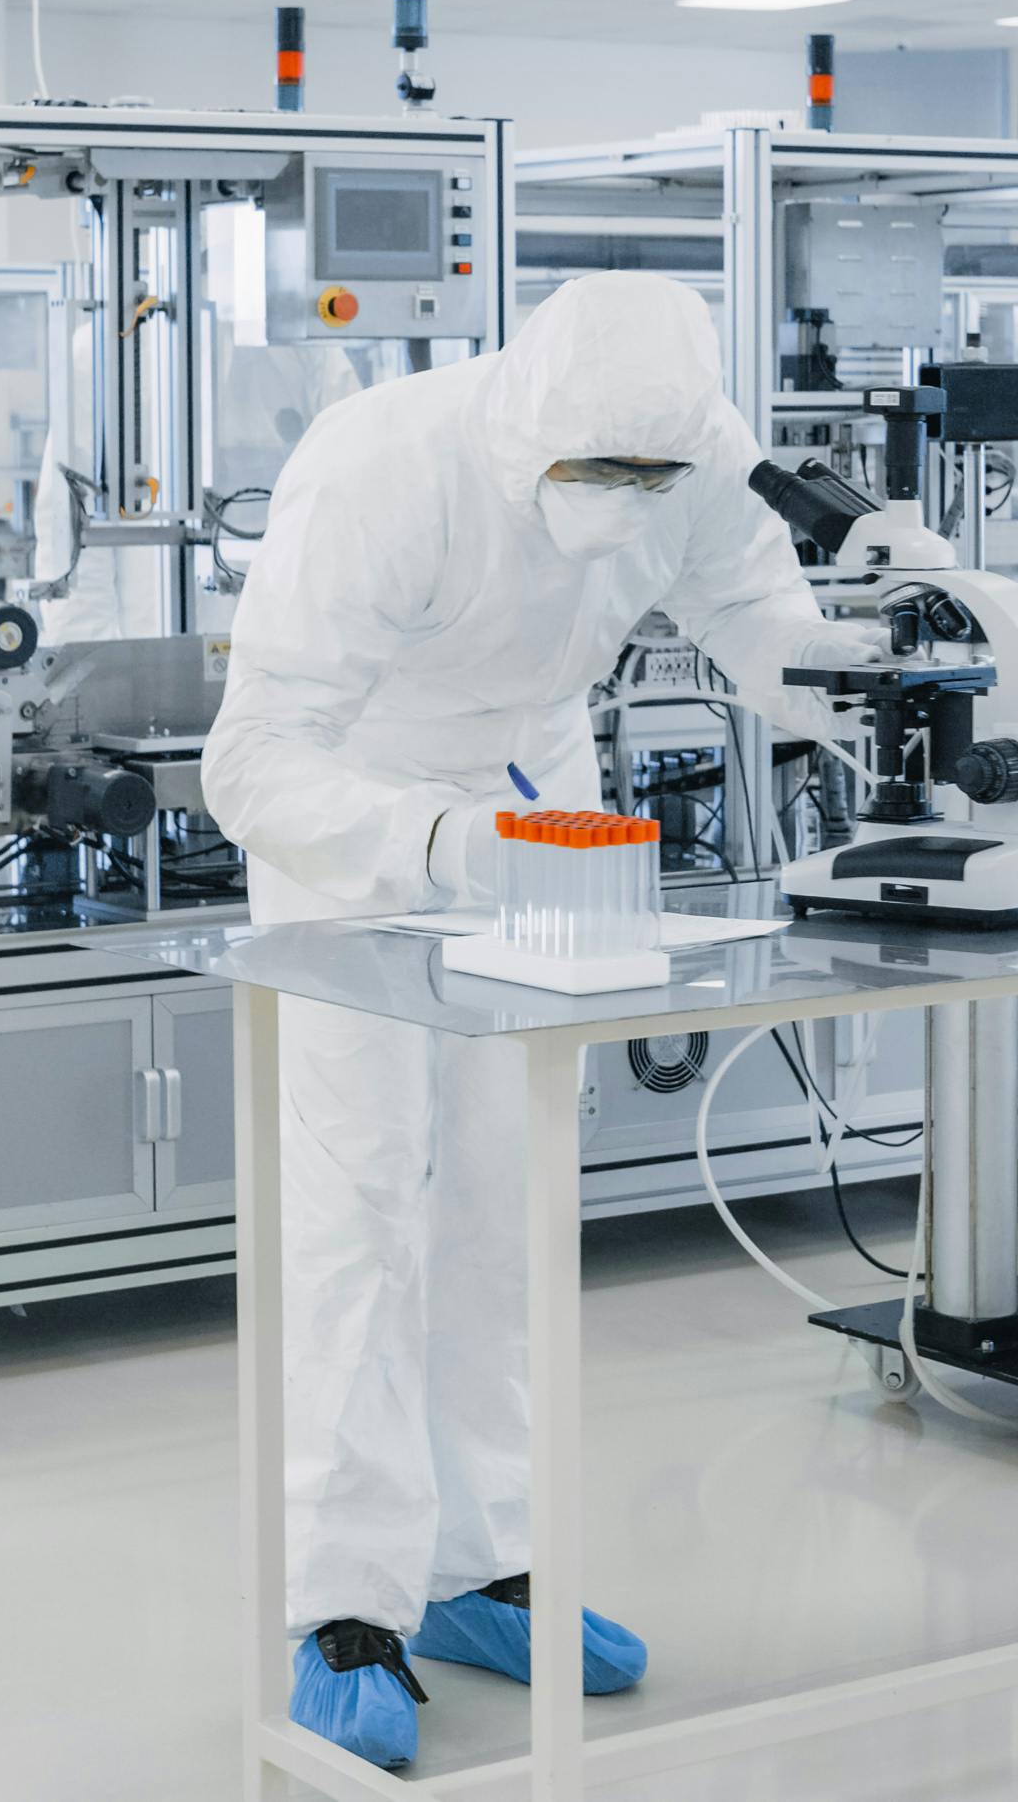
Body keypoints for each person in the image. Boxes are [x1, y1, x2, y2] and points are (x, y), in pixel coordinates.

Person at [205, 271, 859, 1770]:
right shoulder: (385, 465)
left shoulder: (700, 456)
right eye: (597, 472)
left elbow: (759, 615)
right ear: (525, 430)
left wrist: (858, 680)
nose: (626, 501)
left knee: (506, 1199)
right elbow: (255, 758)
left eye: (652, 476)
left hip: (540, 792)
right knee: (363, 1203)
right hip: (357, 809)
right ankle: (344, 1601)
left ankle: (484, 1563)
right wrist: (439, 845)